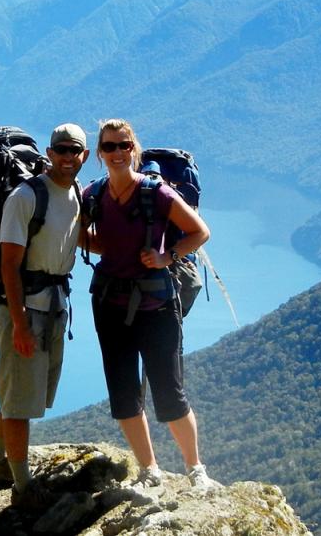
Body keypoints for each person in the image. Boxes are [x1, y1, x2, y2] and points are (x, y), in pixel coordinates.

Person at [81, 118, 220, 489]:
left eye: (123, 145)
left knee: (169, 392)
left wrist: (167, 256)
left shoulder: (155, 192)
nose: (116, 153)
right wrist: (103, 247)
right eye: (109, 147)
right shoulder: (93, 194)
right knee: (124, 392)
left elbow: (199, 231)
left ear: (134, 150)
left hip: (157, 305)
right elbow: (83, 235)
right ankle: (150, 470)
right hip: (110, 303)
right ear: (99, 153)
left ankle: (195, 470)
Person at [0, 123, 90, 506]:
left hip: (55, 309)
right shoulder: (26, 197)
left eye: (75, 150)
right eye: (61, 150)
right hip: (26, 312)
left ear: (84, 156)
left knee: (20, 392)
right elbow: (9, 266)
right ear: (49, 154)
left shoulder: (75, 194)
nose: (68, 157)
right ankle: (23, 487)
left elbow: (80, 240)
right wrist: (20, 325)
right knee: (21, 401)